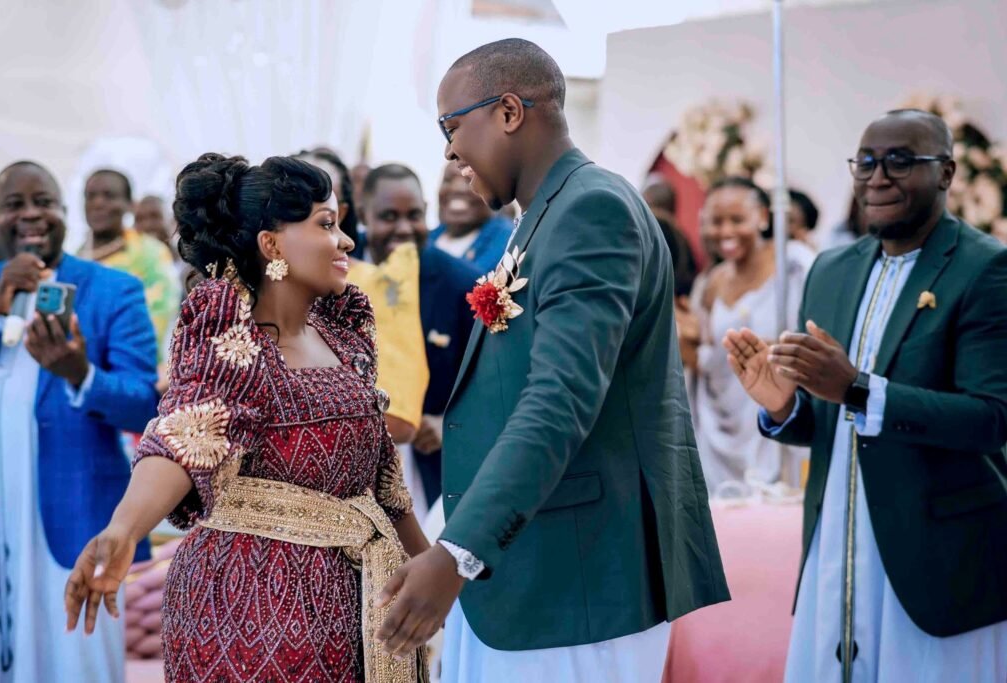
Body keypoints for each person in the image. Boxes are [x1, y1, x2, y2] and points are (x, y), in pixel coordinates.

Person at [374, 38, 729, 681]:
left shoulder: (590, 210)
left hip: (579, 576)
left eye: (452, 128)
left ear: (509, 112)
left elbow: (560, 399)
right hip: (533, 567)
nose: (449, 152)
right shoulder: (546, 214)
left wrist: (457, 552)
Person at [64, 154, 431, 682]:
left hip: (354, 599)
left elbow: (383, 480)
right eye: (327, 224)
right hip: (251, 606)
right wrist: (123, 529)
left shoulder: (342, 330)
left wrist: (433, 570)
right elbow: (186, 437)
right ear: (272, 245)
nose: (347, 241)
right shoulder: (230, 332)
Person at [725, 109, 1007, 682]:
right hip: (836, 542)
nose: (877, 178)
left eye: (900, 161)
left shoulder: (985, 269)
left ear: (946, 172)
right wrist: (783, 406)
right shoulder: (831, 270)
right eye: (866, 162)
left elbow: (991, 419)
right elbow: (830, 418)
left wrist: (856, 388)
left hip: (935, 554)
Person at [0, 161, 159, 682]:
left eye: (44, 202)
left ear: (65, 212)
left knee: (75, 661)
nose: (31, 214)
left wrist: (82, 375)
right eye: (14, 205)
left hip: (77, 512)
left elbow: (144, 403)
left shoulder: (114, 289)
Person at [358, 163, 480, 508]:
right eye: (388, 216)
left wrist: (447, 425)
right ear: (364, 215)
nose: (403, 229)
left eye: (414, 215)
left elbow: (485, 379)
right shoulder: (336, 272)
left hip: (429, 470)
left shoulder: (461, 284)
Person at [684, 177, 811, 494]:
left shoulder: (794, 264)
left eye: (737, 219)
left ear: (762, 217)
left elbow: (816, 331)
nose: (725, 231)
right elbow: (707, 358)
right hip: (724, 422)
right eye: (716, 222)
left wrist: (770, 351)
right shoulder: (711, 281)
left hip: (778, 409)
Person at [82, 170, 181, 365]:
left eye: (109, 196)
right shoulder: (76, 256)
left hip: (133, 365)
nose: (98, 203)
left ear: (129, 204)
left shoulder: (150, 253)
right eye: (90, 196)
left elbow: (157, 319)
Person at [429, 160, 513, 273]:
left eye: (469, 180)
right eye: (448, 180)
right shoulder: (427, 239)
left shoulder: (507, 239)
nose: (457, 188)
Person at [296, 146, 366, 260]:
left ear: (340, 213)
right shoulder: (267, 266)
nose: (307, 217)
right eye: (297, 205)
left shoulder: (361, 272)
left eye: (323, 209)